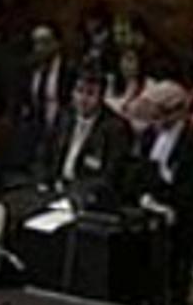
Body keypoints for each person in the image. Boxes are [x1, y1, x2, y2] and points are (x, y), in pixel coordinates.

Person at [132, 81, 193, 305]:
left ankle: (173, 292)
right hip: (150, 198)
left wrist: (168, 204)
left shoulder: (192, 140)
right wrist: (144, 194)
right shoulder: (150, 135)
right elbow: (139, 170)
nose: (156, 122)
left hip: (180, 205)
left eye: (160, 116)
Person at [41, 68, 133, 206]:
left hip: (87, 198)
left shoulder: (115, 128)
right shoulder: (64, 116)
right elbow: (44, 154)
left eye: (90, 93)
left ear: (101, 97)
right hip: (54, 190)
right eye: (79, 91)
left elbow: (110, 176)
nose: (82, 99)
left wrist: (73, 193)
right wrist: (44, 181)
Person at [18, 23, 68, 168]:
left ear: (57, 44)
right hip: (34, 125)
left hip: (60, 125)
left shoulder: (68, 69)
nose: (39, 48)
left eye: (45, 42)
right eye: (36, 43)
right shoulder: (29, 67)